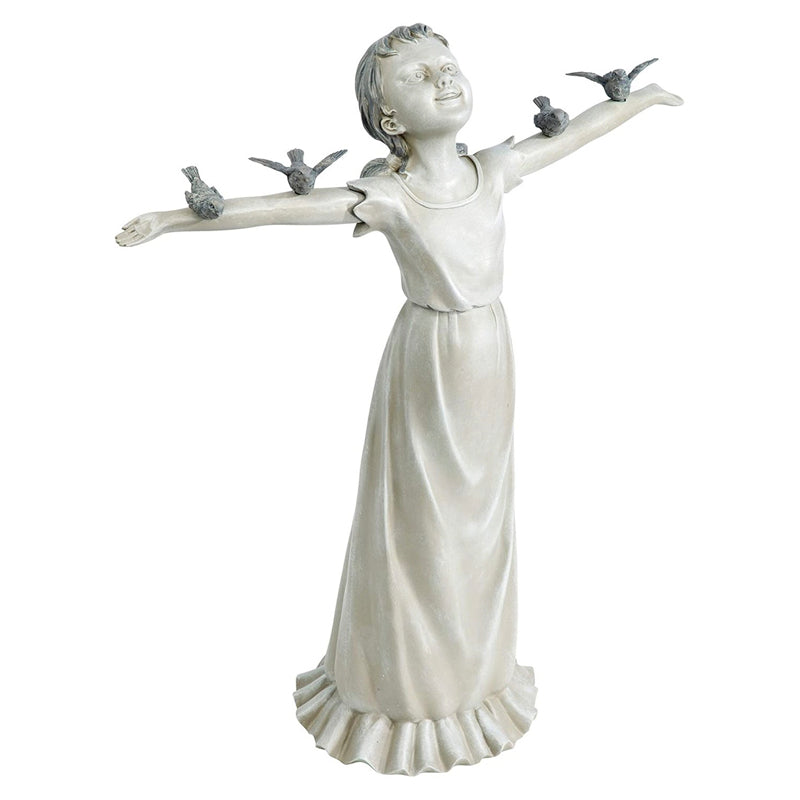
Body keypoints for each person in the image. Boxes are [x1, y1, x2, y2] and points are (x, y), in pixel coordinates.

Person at [116, 23, 682, 774]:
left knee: (480, 519)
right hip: (429, 362)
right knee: (423, 522)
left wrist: (641, 99)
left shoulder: (494, 168)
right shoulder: (390, 196)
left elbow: (576, 134)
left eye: (447, 65)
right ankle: (410, 688)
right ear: (388, 118)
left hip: (490, 353)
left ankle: (473, 674)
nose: (442, 78)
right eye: (417, 75)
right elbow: (282, 208)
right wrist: (171, 220)